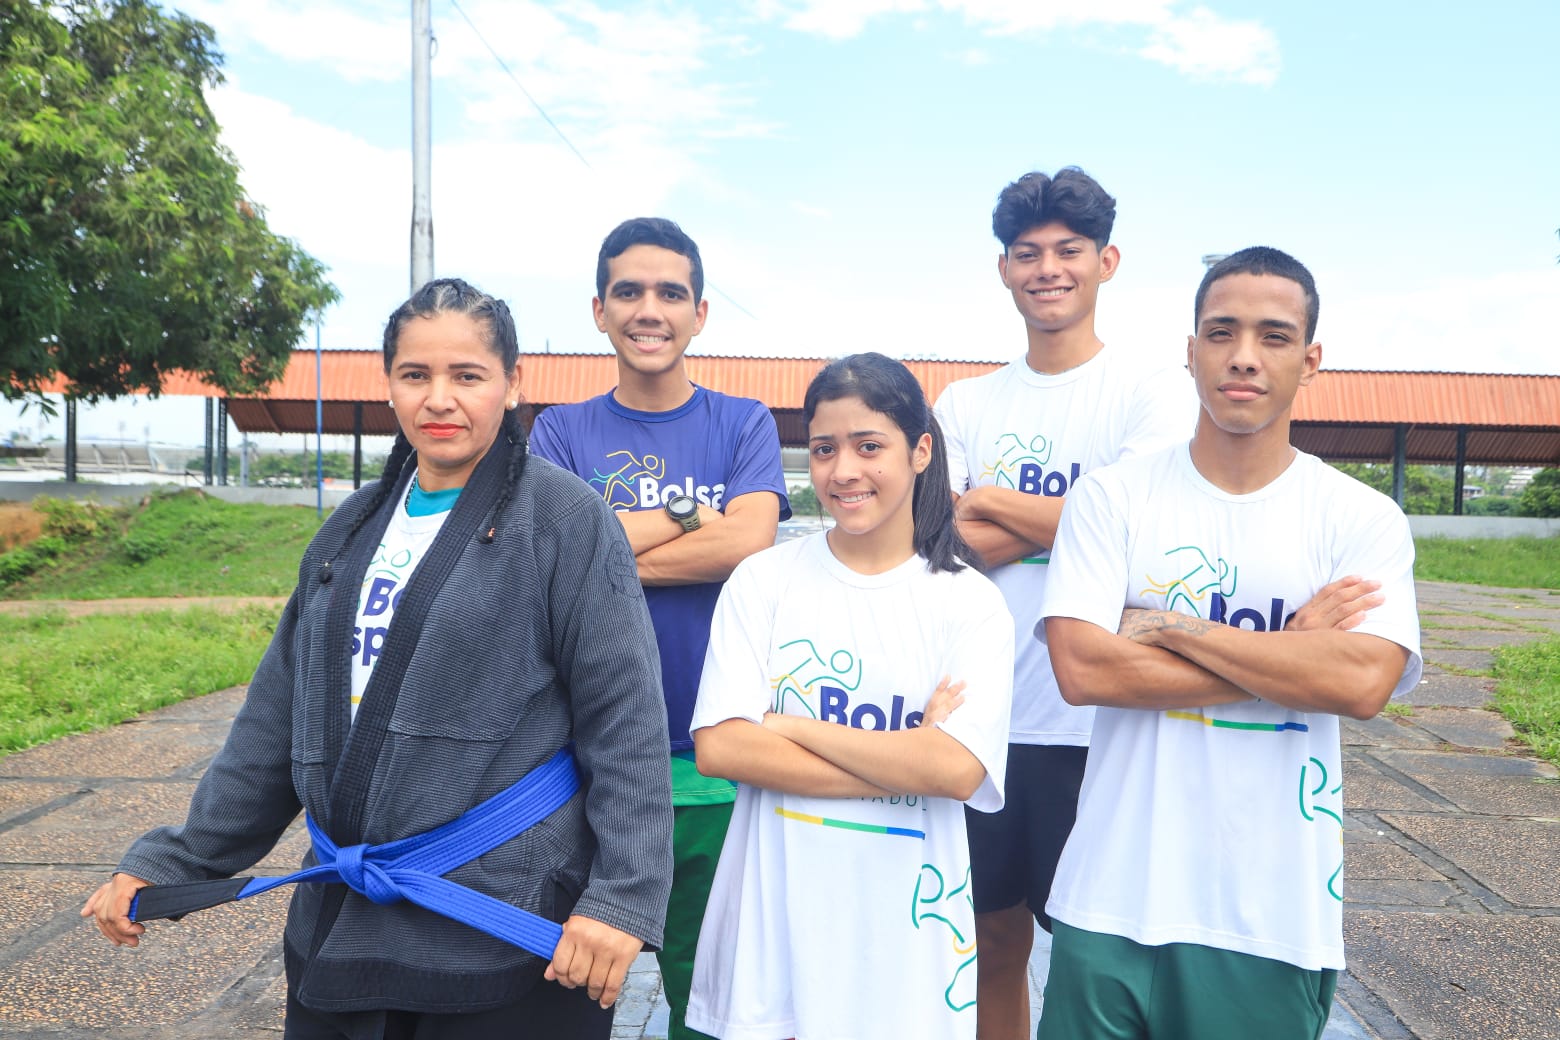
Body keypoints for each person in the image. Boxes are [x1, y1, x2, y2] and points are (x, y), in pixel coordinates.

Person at [84, 278, 674, 1039]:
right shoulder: (351, 530)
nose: (440, 399)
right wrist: (179, 859)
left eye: (467, 376)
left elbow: (625, 724)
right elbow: (274, 721)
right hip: (344, 918)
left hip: (500, 921)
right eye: (416, 375)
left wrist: (619, 899)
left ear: (512, 383)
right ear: (388, 383)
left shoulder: (566, 521)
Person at [1037, 247, 1423, 1039]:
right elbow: (1081, 666)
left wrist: (1160, 622)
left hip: (1269, 915)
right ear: (1189, 351)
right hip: (1109, 895)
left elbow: (1361, 684)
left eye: (1273, 336)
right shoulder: (1115, 498)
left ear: (1310, 360)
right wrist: (1290, 654)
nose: (1243, 356)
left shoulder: (1357, 518)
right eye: (1221, 332)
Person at [931, 166, 1196, 1037]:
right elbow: (939, 542)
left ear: (1106, 261)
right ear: (1004, 269)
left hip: (1098, 722)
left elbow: (1143, 545)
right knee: (989, 943)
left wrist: (995, 502)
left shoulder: (1153, 390)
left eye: (1069, 250)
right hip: (983, 719)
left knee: (1097, 955)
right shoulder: (965, 401)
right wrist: (1089, 513)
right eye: (1027, 252)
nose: (1048, 268)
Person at [685, 352, 1015, 1040]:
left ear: (921, 451)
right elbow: (720, 746)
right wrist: (904, 755)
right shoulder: (764, 581)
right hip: (775, 928)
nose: (844, 471)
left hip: (906, 940)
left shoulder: (969, 603)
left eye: (870, 447)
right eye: (826, 448)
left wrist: (786, 726)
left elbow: (955, 771)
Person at [528, 217, 789, 1040]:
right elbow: (549, 561)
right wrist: (686, 512)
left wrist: (602, 542)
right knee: (564, 983)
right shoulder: (559, 432)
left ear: (700, 313)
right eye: (629, 291)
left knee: (708, 997)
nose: (651, 309)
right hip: (579, 766)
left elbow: (747, 542)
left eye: (670, 292)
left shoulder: (743, 423)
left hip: (712, 755)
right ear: (599, 310)